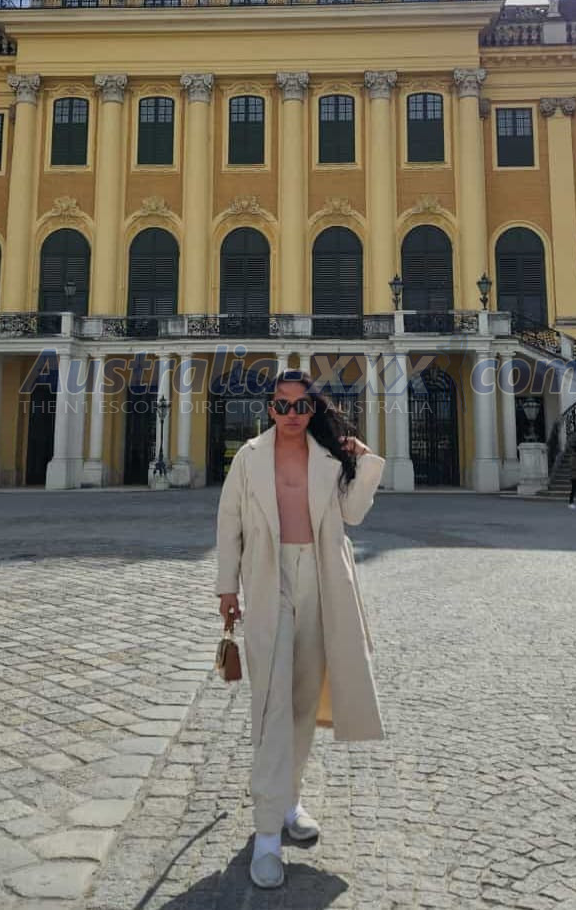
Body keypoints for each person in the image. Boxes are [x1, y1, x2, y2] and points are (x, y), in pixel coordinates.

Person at [216, 369, 386, 889]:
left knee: (304, 700)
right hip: (268, 578)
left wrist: (363, 461)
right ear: (270, 408)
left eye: (300, 406)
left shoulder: (330, 458)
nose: (291, 414)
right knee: (272, 701)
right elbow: (229, 521)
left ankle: (289, 801)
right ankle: (267, 834)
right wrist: (227, 588)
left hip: (321, 577)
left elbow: (353, 515)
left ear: (313, 410)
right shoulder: (249, 457)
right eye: (282, 405)